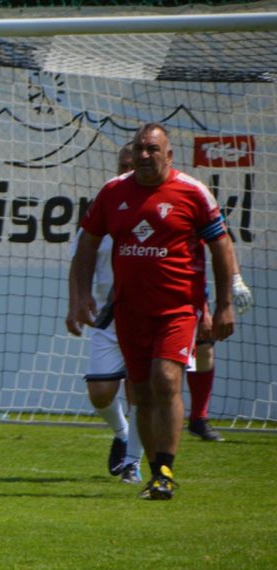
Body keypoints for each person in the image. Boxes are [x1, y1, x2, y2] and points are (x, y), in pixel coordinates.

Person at [69, 123, 238, 500]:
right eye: (140, 148)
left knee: (165, 380)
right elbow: (86, 245)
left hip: (177, 308)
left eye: (152, 149)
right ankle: (147, 468)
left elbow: (222, 248)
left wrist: (224, 304)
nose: (145, 155)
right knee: (141, 393)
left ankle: (164, 471)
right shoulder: (114, 192)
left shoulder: (192, 192)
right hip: (129, 311)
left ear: (169, 154)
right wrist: (79, 297)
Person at [65, 146, 144, 485]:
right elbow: (79, 259)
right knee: (99, 393)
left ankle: (133, 462)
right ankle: (123, 432)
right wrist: (75, 303)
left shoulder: (157, 206)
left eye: (132, 166)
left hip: (147, 314)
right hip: (107, 316)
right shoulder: (105, 208)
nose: (126, 172)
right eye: (122, 165)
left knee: (141, 391)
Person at [185, 267, 253, 442]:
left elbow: (223, 244)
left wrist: (236, 279)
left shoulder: (201, 240)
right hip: (146, 288)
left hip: (190, 290)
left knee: (204, 346)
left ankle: (198, 417)